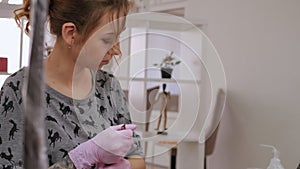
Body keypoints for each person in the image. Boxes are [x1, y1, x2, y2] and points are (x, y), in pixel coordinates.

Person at [0, 0, 146, 169]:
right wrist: (79, 159)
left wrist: (127, 166)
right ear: (71, 34)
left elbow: (137, 157)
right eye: (107, 40)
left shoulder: (108, 86)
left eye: (117, 37)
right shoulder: (19, 90)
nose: (117, 50)